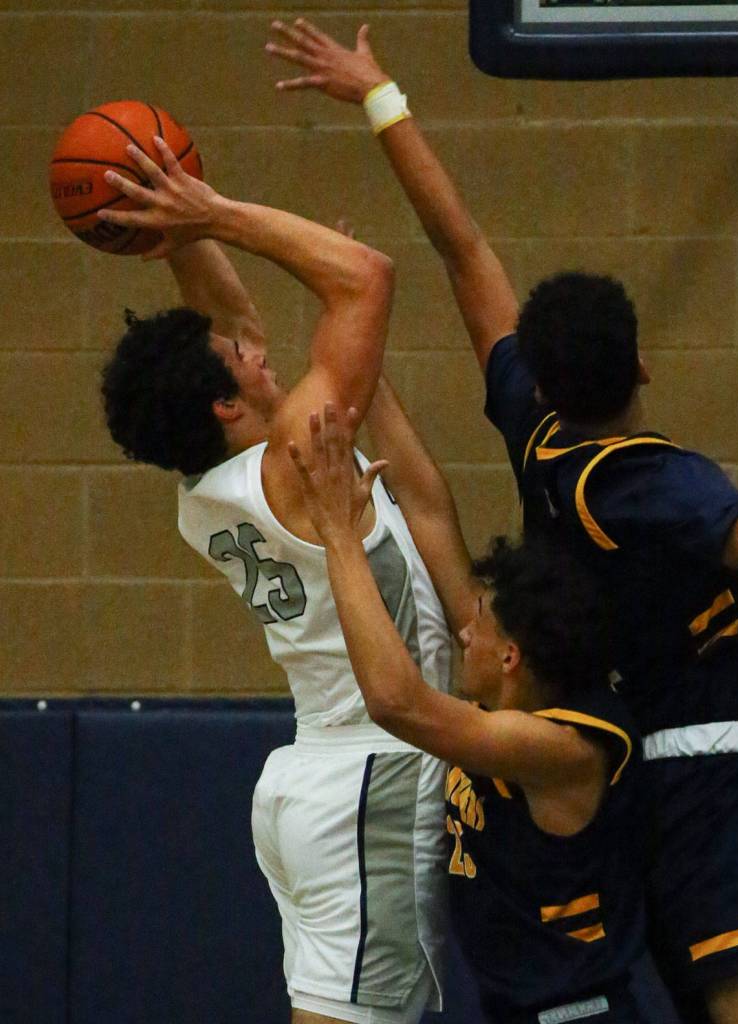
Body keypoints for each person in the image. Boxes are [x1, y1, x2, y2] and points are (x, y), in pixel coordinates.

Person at [268, 20, 738, 1024]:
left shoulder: (537, 430)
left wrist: (380, 96)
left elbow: (464, 247)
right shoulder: (653, 486)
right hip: (700, 772)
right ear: (643, 366)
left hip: (598, 777)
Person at [98, 138, 452, 1024]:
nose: (258, 350)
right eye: (239, 355)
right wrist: (215, 215)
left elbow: (231, 323)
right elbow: (366, 278)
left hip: (313, 778)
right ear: (226, 404)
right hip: (372, 775)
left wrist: (178, 224)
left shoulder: (210, 490)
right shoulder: (295, 456)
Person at [289, 395, 648, 1024]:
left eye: (476, 623)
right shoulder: (514, 685)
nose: (462, 630)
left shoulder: (566, 747)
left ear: (510, 656)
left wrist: (338, 535)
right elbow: (426, 508)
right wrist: (364, 382)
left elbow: (397, 703)